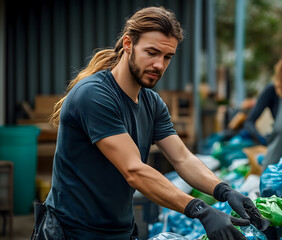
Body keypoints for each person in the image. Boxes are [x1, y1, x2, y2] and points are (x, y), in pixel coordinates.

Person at [32, 7, 267, 240]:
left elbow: (182, 159)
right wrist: (201, 210)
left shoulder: (151, 102)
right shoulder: (94, 95)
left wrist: (225, 191)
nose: (159, 65)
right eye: (152, 53)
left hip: (120, 231)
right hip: (71, 232)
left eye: (167, 57)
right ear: (128, 44)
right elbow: (134, 170)